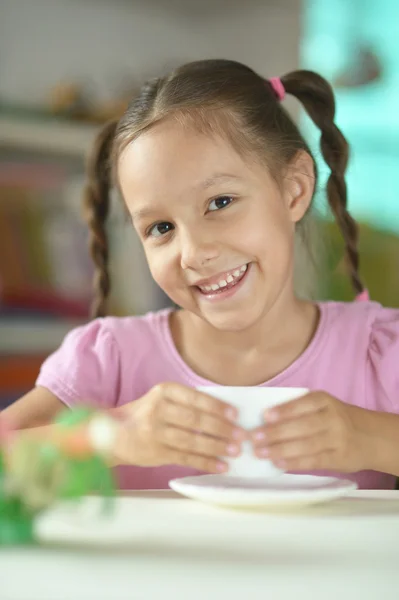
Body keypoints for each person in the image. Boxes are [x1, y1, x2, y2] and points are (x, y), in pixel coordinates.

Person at [3, 59, 399, 490]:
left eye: (221, 202)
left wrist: (369, 438)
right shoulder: (109, 360)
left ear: (295, 189)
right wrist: (113, 435)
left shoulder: (378, 354)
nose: (194, 253)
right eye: (161, 228)